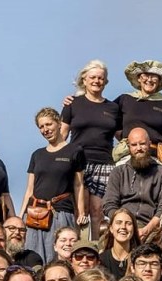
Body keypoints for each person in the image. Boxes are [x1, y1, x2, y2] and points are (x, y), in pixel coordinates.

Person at [60, 59, 121, 238]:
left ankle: (96, 248)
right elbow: (62, 134)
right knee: (80, 211)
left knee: (98, 211)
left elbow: (121, 135)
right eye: (93, 77)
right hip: (78, 162)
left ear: (105, 81)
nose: (96, 81)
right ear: (84, 80)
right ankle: (77, 246)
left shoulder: (113, 108)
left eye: (100, 78)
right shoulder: (72, 104)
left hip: (104, 163)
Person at [20, 107, 87, 263]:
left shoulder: (74, 151)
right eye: (41, 127)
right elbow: (29, 189)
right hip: (35, 214)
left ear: (58, 123)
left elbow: (79, 185)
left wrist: (81, 212)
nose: (45, 129)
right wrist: (20, 217)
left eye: (48, 124)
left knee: (60, 259)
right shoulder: (37, 155)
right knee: (33, 258)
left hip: (61, 212)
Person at [102, 127, 162, 242]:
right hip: (123, 225)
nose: (138, 148)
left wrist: (147, 229)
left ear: (149, 144)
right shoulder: (118, 172)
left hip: (151, 226)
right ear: (129, 146)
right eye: (134, 145)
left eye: (142, 144)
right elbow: (109, 204)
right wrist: (123, 224)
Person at [116, 60, 162, 167]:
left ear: (159, 81)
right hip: (128, 156)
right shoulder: (125, 99)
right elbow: (110, 121)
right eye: (146, 75)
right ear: (139, 78)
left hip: (156, 158)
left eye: (154, 77)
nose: (149, 80)